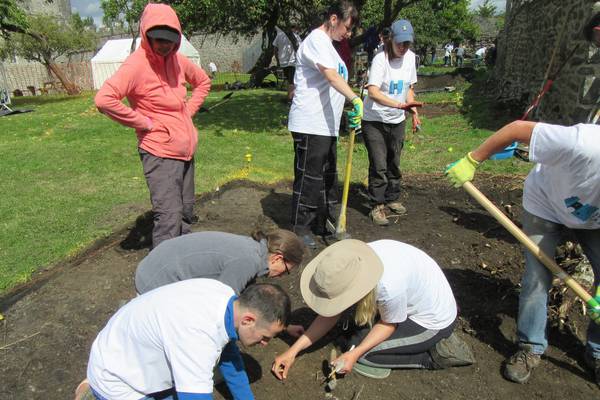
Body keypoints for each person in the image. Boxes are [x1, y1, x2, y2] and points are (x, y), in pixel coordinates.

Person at [445, 120, 600, 386]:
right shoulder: (584, 143)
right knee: (538, 276)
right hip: (545, 204)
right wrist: (472, 160)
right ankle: (530, 346)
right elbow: (517, 129)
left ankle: (597, 351)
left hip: (593, 219)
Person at [95, 4, 211, 249]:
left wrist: (187, 113)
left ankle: (185, 258)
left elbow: (202, 82)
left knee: (186, 211)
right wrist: (144, 122)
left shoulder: (178, 60)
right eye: (158, 40)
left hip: (185, 150)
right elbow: (104, 99)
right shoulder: (136, 65)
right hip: (159, 152)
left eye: (169, 40)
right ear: (147, 35)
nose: (164, 45)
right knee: (169, 216)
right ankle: (162, 275)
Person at [272, 239, 473, 380]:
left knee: (364, 355)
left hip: (431, 321)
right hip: (411, 300)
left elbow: (389, 323)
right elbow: (329, 315)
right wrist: (293, 351)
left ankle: (435, 357)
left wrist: (355, 354)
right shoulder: (357, 259)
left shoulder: (388, 286)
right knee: (355, 338)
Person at [86, 281, 290, 399]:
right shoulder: (198, 338)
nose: (265, 344)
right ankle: (90, 391)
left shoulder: (226, 296)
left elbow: (229, 356)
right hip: (117, 380)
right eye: (265, 337)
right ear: (248, 320)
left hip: (128, 349)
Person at [134, 228, 306, 337]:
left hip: (158, 267)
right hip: (156, 282)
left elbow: (249, 298)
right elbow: (222, 310)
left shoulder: (253, 250)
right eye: (287, 270)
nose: (283, 275)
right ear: (277, 258)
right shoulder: (248, 261)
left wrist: (283, 327)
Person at [288, 1, 362, 249]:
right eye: (347, 27)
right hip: (310, 123)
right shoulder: (316, 40)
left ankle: (327, 223)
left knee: (329, 177)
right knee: (309, 178)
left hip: (326, 125)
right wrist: (354, 98)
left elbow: (334, 83)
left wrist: (348, 108)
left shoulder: (331, 47)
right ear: (334, 19)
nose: (348, 34)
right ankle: (300, 228)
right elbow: (331, 77)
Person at [361, 19, 420, 226]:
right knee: (379, 164)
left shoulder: (411, 58)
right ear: (391, 39)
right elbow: (373, 92)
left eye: (407, 44)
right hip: (375, 120)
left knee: (394, 161)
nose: (403, 48)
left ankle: (392, 197)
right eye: (400, 43)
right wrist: (398, 105)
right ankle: (377, 205)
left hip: (397, 120)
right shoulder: (380, 59)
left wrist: (412, 110)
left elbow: (409, 88)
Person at [273, 26, 302, 100]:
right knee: (291, 81)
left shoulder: (279, 35)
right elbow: (301, 49)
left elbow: (275, 49)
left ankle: (289, 97)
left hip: (283, 62)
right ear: (294, 28)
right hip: (292, 62)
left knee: (289, 80)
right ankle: (290, 99)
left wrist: (277, 60)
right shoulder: (296, 37)